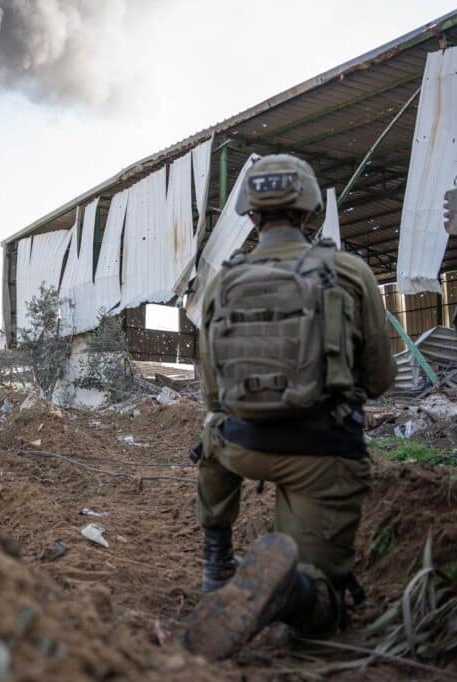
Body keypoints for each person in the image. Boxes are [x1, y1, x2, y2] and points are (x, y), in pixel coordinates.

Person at [180, 154, 396, 660]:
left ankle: (217, 561)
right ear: (309, 209)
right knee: (324, 606)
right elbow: (380, 380)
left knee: (212, 432)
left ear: (251, 214)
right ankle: (291, 592)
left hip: (240, 449)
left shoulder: (223, 283)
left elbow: (213, 395)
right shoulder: (349, 272)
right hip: (322, 456)